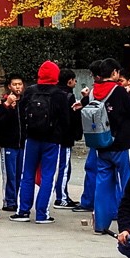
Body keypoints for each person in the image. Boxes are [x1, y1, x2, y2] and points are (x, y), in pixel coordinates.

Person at [85, 58, 130, 235]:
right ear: (115, 73)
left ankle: (101, 224)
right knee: (128, 182)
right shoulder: (118, 91)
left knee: (103, 184)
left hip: (102, 144)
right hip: (122, 144)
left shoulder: (94, 92)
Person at [13, 60, 69, 223]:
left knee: (27, 174)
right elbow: (65, 120)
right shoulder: (59, 94)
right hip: (52, 140)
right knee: (48, 176)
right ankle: (42, 213)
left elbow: (22, 115)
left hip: (32, 138)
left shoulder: (30, 91)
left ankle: (22, 211)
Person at [0, 75, 25, 215]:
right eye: (15, 84)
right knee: (10, 174)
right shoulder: (4, 102)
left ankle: (19, 200)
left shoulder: (25, 102)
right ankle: (9, 201)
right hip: (8, 144)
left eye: (20, 84)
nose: (18, 87)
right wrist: (8, 107)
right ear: (9, 86)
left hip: (22, 144)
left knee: (21, 174)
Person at [55, 68, 80, 205]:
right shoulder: (69, 96)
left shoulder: (55, 93)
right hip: (65, 138)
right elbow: (71, 119)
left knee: (58, 167)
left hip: (55, 137)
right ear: (69, 81)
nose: (75, 82)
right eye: (74, 79)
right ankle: (62, 197)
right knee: (64, 168)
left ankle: (61, 195)